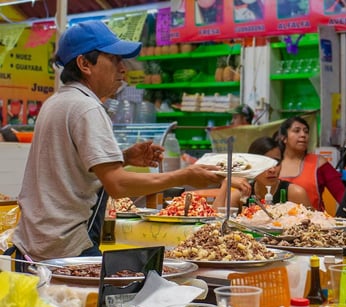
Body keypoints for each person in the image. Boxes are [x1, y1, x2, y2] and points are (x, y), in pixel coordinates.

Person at [7, 20, 223, 266]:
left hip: (34, 246)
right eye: (115, 59)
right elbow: (118, 185)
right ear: (84, 64)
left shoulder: (57, 102)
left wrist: (123, 157)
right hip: (66, 250)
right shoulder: (87, 107)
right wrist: (184, 176)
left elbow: (68, 165)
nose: (123, 69)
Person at [212, 136, 311, 211]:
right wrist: (226, 182)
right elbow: (216, 222)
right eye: (265, 163)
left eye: (276, 162)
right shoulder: (242, 194)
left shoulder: (296, 193)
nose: (272, 169)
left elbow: (312, 228)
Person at [276, 116, 345, 211]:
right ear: (284, 138)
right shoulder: (272, 164)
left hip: (314, 224)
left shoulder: (319, 163)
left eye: (306, 131)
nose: (303, 135)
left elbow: (343, 197)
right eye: (297, 131)